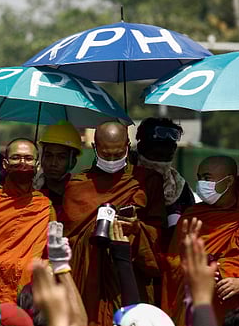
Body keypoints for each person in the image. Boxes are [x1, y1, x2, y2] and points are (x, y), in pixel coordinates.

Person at [61, 121, 165, 325]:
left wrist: (136, 228)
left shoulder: (146, 181)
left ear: (128, 146)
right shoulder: (78, 185)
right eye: (106, 155)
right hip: (89, 280)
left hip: (130, 277)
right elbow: (69, 240)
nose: (111, 160)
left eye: (118, 155)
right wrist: (93, 234)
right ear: (95, 148)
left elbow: (159, 237)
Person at [161, 156, 239, 325]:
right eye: (199, 178)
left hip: (234, 310)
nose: (201, 183)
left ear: (229, 181)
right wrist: (196, 269)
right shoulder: (192, 215)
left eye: (207, 178)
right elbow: (173, 261)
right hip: (193, 305)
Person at [0, 139, 53, 315]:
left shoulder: (44, 206)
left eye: (28, 158)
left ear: (37, 166)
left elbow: (48, 254)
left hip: (24, 294)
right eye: (16, 158)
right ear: (5, 164)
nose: (22, 163)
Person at [0, 93, 82, 212]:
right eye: (48, 155)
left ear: (73, 162)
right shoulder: (24, 184)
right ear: (40, 160)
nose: (53, 163)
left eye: (61, 157)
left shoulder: (81, 194)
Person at [131, 117, 195, 232]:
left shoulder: (179, 188)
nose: (160, 163)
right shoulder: (124, 180)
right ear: (140, 149)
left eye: (167, 157)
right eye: (155, 156)